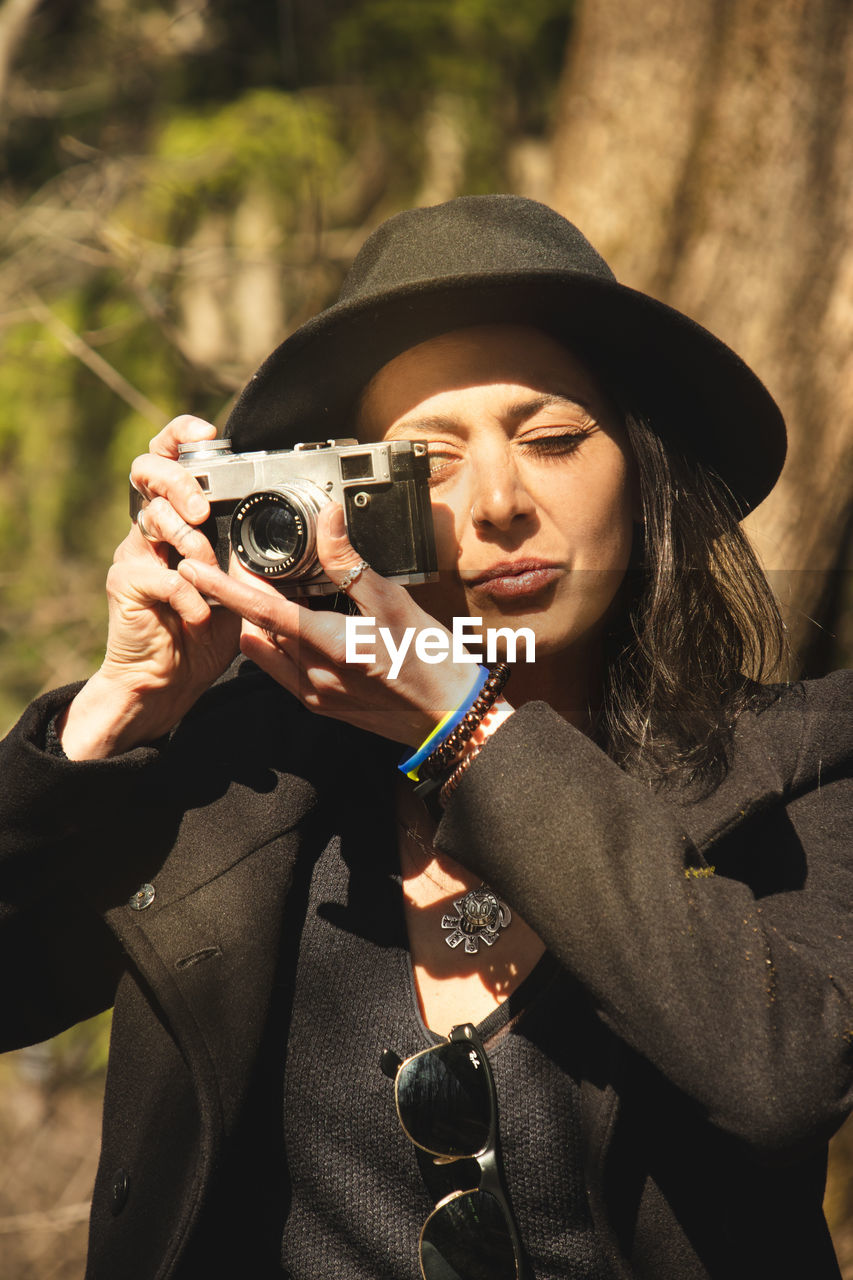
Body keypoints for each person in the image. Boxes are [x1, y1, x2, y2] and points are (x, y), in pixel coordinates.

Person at [1, 194, 851, 1280]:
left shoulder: (804, 758)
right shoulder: (248, 774)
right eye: (427, 463)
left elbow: (779, 1081)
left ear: (643, 468)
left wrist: (467, 733)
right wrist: (116, 712)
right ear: (342, 501)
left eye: (551, 440)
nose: (498, 503)